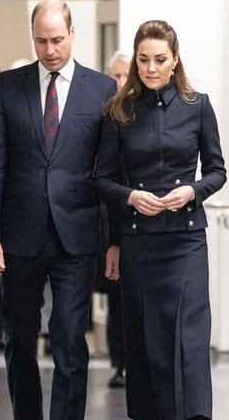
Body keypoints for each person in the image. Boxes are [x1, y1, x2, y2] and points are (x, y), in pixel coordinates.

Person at [0, 0, 117, 419]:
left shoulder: (102, 89)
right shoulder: (8, 85)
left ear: (73, 33)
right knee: (19, 337)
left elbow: (109, 169)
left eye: (57, 39)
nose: (50, 49)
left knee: (71, 337)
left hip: (77, 232)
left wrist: (112, 241)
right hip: (19, 234)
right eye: (41, 40)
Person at [96, 20, 226, 420]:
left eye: (159, 60)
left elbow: (218, 171)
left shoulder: (197, 105)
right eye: (144, 60)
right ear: (135, 62)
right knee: (146, 343)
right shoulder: (119, 111)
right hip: (139, 241)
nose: (151, 68)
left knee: (188, 341)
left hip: (186, 242)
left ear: (175, 61)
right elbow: (102, 178)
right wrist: (130, 197)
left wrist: (192, 191)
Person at [100, 50, 132, 389]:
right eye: (115, 76)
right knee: (115, 296)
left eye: (124, 75)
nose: (120, 83)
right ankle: (119, 362)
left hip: (141, 216)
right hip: (107, 218)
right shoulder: (105, 112)